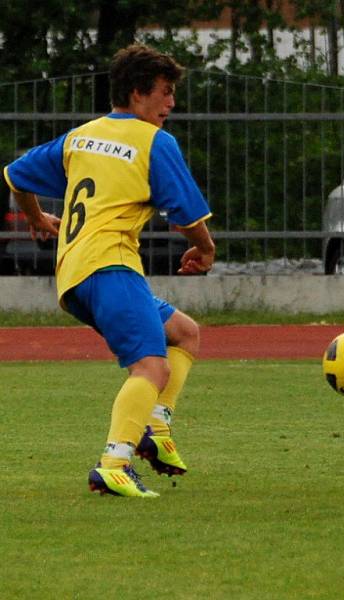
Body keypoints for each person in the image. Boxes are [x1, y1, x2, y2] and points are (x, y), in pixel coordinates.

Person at [3, 44, 215, 498]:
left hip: (74, 275)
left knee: (183, 332)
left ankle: (154, 429)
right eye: (165, 92)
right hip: (112, 266)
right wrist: (206, 248)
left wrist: (38, 219)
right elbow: (186, 217)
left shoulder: (81, 136)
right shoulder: (154, 141)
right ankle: (114, 463)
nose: (171, 104)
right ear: (139, 94)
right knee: (150, 368)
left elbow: (15, 176)